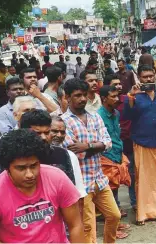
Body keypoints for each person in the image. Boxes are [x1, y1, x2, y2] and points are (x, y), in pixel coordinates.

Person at [0, 129, 85, 243]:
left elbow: (75, 225)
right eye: (21, 168)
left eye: (34, 165)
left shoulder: (57, 178)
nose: (30, 174)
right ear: (7, 167)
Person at [61, 78, 120, 243]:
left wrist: (86, 146)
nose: (82, 99)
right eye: (77, 95)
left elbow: (108, 144)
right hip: (81, 184)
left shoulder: (95, 117)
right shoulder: (64, 122)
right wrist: (96, 146)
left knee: (114, 215)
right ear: (67, 97)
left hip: (99, 179)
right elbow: (75, 153)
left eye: (84, 95)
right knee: (88, 227)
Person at [124, 65, 156, 225]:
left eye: (151, 76)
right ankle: (143, 214)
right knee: (143, 179)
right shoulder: (135, 96)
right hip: (142, 142)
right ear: (139, 78)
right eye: (145, 77)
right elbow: (127, 115)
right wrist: (131, 96)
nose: (149, 79)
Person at [97, 85, 132, 239]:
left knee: (115, 189)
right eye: (113, 97)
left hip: (117, 154)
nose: (117, 99)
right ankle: (111, 228)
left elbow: (117, 135)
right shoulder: (98, 116)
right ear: (104, 98)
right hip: (106, 157)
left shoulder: (116, 113)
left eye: (117, 96)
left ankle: (115, 223)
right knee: (108, 193)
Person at [20, 110, 76, 186]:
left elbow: (70, 188)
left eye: (46, 133)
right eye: (37, 133)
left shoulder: (61, 154)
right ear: (24, 133)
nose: (43, 137)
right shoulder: (14, 157)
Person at [49, 116, 87, 198]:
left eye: (62, 132)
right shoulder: (37, 155)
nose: (59, 135)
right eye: (54, 131)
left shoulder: (69, 155)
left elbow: (78, 190)